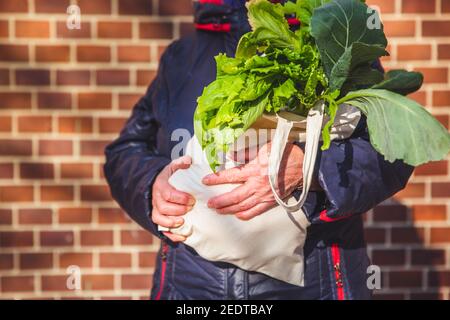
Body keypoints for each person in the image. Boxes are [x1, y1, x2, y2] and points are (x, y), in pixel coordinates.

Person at [104, 0, 413, 300]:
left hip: (314, 283)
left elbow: (394, 152)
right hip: (189, 284)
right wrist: (152, 185)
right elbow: (126, 150)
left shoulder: (337, 46)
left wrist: (309, 166)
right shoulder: (181, 57)